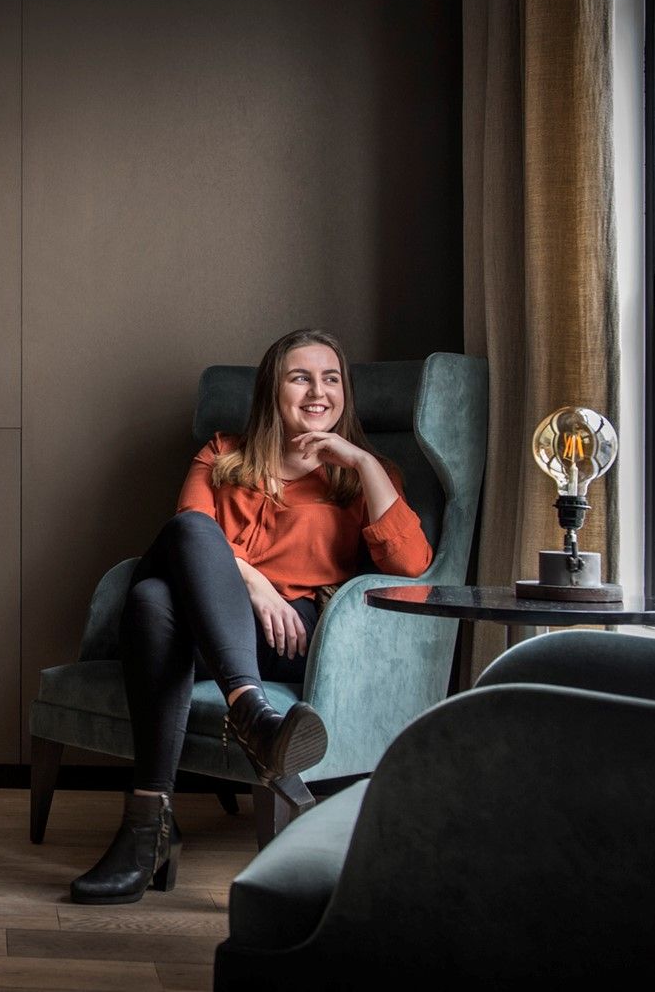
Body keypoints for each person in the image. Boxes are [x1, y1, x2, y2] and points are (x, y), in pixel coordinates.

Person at [70, 328, 433, 905]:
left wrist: (362, 460)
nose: (318, 392)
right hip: (210, 624)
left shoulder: (366, 474)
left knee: (152, 600)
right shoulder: (221, 455)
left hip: (289, 635)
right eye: (300, 378)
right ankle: (252, 715)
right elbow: (190, 533)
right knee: (166, 574)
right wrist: (256, 584)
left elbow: (411, 564)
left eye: (331, 379)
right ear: (272, 390)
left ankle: (146, 832)